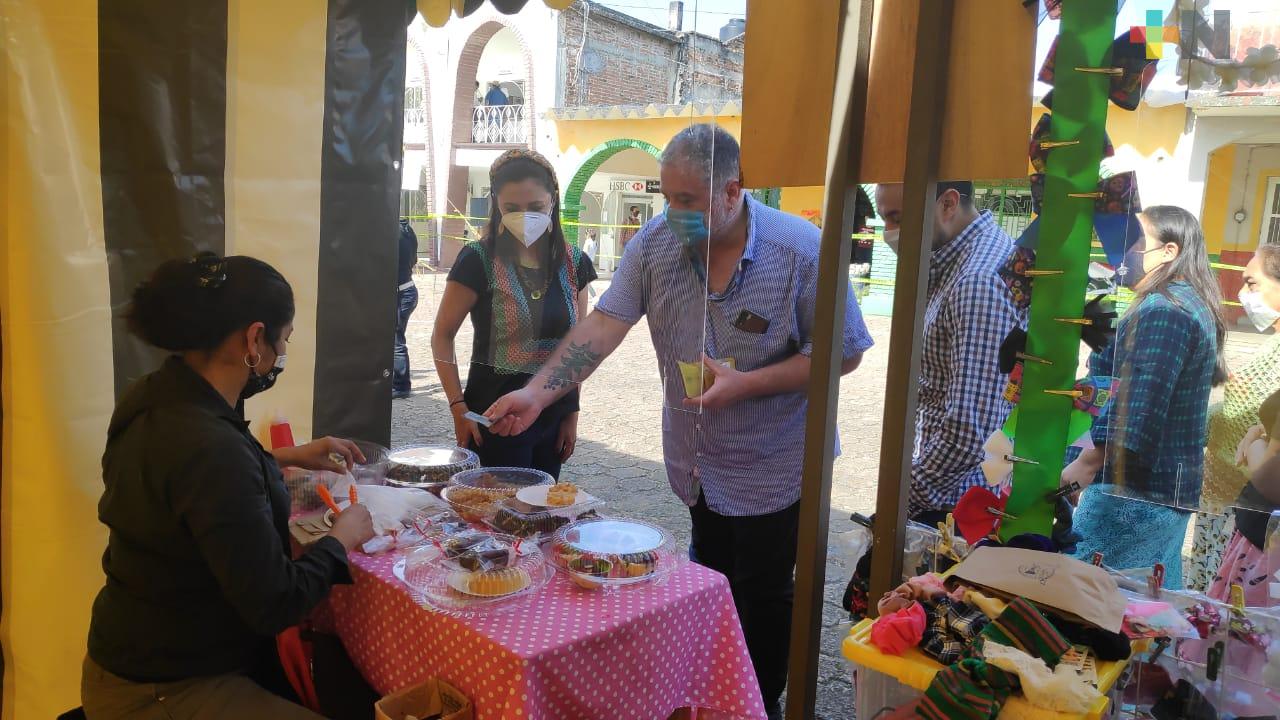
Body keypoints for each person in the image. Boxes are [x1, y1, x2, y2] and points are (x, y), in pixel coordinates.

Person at [483, 124, 874, 720]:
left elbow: (843, 351)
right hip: (695, 464)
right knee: (707, 585)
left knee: (765, 596)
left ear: (733, 190)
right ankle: (715, 696)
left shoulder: (801, 250)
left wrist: (748, 384)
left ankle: (758, 703)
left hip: (775, 464)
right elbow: (603, 326)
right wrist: (538, 394)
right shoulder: (656, 245)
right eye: (667, 198)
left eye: (688, 201)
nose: (674, 214)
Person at [82, 253, 376, 719]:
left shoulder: (159, 396)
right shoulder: (208, 446)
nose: (280, 354)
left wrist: (285, 456)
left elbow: (190, 484)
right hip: (164, 690)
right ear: (254, 339)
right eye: (283, 341)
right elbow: (277, 602)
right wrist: (344, 536)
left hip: (132, 655)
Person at [1063, 206, 1227, 590]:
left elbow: (1138, 403)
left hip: (1132, 496)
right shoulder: (1183, 303)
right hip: (1158, 494)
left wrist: (1082, 469)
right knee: (1143, 611)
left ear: (1169, 251)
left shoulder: (1165, 311)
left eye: (1136, 243)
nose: (1125, 253)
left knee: (1093, 604)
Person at [431, 149, 595, 477]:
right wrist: (457, 406)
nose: (525, 216)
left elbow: (577, 348)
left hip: (552, 420)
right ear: (497, 206)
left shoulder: (575, 263)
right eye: (511, 208)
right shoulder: (477, 260)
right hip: (494, 422)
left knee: (542, 514)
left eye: (535, 207)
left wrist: (571, 414)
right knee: (496, 518)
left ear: (553, 201)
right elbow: (442, 335)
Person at [874, 182, 1025, 523]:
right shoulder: (952, 259)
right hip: (945, 494)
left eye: (898, 218)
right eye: (885, 219)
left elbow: (970, 433)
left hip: (952, 507)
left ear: (948, 204)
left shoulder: (976, 282)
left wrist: (904, 493)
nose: (890, 233)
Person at [1187, 246, 1280, 589]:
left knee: (1226, 597)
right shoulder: (1273, 343)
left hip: (1248, 504)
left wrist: (1250, 437)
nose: (1244, 295)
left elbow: (1258, 421)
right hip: (1226, 495)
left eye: (1253, 284)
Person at [393, 218, 419, 400]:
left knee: (396, 340)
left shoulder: (395, 234)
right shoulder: (407, 230)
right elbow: (414, 259)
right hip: (407, 289)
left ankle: (401, 385)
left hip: (401, 293)